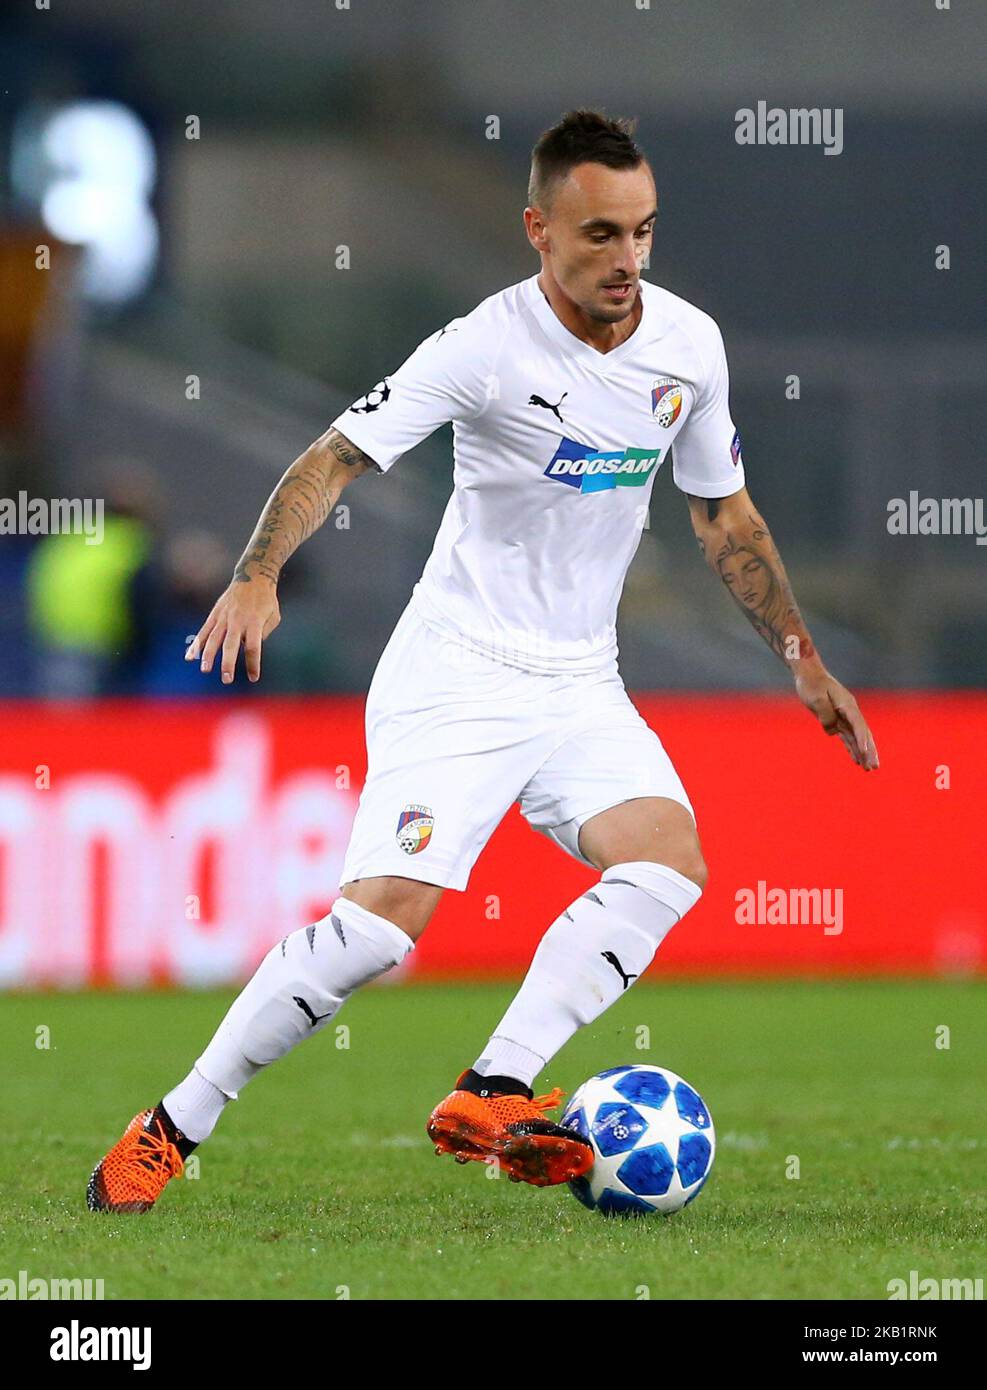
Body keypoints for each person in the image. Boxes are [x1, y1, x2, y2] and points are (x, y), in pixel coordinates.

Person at [88, 109, 878, 1213]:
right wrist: (259, 570)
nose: (628, 260)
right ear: (537, 230)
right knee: (375, 932)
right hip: (457, 670)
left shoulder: (689, 347)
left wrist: (800, 652)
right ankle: (173, 1124)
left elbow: (724, 516)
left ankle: (494, 1086)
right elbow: (333, 457)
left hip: (579, 678)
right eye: (600, 234)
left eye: (644, 232)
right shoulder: (482, 348)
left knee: (665, 863)